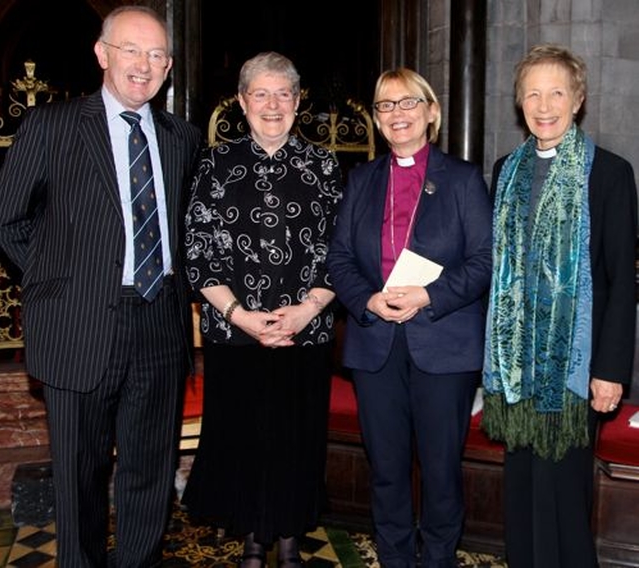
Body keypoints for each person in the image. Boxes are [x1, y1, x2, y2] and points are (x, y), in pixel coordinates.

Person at [0, 6, 201, 566]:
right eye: (132, 50)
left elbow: (182, 231)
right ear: (102, 53)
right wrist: (55, 282)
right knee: (79, 476)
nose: (144, 64)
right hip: (77, 327)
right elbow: (6, 219)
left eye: (157, 54)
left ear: (168, 67)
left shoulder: (181, 138)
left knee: (148, 471)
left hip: (160, 326)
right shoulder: (52, 127)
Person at [180, 51, 343, 568]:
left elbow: (341, 250)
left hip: (305, 331)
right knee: (244, 435)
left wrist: (306, 310)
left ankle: (291, 537)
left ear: (298, 102)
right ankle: (253, 535)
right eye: (261, 93)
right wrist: (241, 317)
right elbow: (197, 248)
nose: (272, 104)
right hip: (235, 333)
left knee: (297, 436)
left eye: (283, 94)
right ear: (242, 101)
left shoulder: (325, 164)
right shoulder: (214, 163)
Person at [326, 68, 492, 567]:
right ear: (377, 119)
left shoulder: (462, 180)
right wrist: (366, 300)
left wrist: (428, 295)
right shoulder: (361, 179)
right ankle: (395, 559)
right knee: (387, 469)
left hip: (443, 345)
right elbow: (338, 259)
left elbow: (485, 261)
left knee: (441, 470)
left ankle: (438, 559)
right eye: (385, 105)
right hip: (375, 343)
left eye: (407, 103)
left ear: (431, 112)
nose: (397, 114)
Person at [482, 43, 637, 568]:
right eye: (532, 93)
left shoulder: (610, 174)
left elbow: (621, 281)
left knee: (565, 497)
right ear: (519, 102)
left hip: (574, 370)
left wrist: (610, 370)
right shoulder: (505, 171)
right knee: (522, 491)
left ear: (579, 99)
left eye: (556, 92)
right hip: (515, 365)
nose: (543, 105)